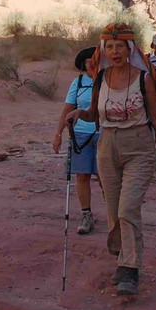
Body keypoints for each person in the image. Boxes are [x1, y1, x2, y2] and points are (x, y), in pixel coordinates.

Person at [87, 23, 156, 297]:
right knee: (113, 211)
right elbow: (93, 114)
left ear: (130, 49)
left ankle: (130, 268)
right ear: (104, 50)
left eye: (120, 47)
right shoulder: (100, 78)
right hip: (107, 147)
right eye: (110, 47)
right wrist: (76, 115)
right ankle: (123, 258)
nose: (114, 51)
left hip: (139, 147)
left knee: (128, 209)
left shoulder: (143, 78)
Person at [53, 47, 102, 235]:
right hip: (80, 134)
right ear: (84, 64)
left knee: (105, 178)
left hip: (103, 134)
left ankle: (115, 215)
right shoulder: (78, 82)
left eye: (94, 60)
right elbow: (67, 109)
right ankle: (86, 214)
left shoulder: (107, 82)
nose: (91, 63)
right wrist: (58, 134)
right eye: (88, 60)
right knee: (82, 175)